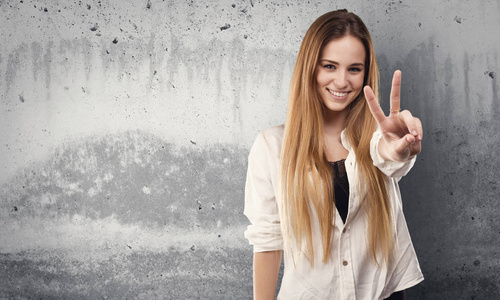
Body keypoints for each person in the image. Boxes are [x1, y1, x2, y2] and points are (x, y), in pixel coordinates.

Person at [243, 9, 424, 300]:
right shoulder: (271, 147)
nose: (342, 82)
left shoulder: (378, 140)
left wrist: (401, 148)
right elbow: (267, 240)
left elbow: (391, 160)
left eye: (354, 69)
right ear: (310, 68)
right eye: (329, 66)